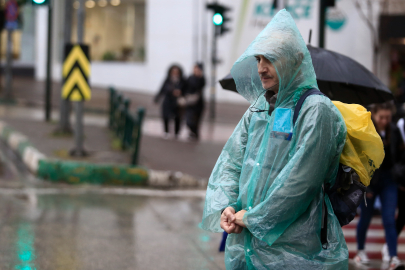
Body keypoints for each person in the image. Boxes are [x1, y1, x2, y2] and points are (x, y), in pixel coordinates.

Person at [200, 10, 348, 269]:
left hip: (294, 253)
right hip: (247, 247)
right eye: (258, 58)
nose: (261, 68)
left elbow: (301, 182)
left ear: (295, 59)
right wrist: (228, 206)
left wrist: (255, 218)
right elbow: (232, 162)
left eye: (270, 58)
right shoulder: (259, 107)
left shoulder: (316, 110)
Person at [354, 102, 403, 269]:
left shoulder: (394, 130)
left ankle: (393, 256)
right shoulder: (366, 129)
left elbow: (401, 155)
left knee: (389, 218)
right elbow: (359, 157)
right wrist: (365, 185)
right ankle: (360, 250)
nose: (384, 120)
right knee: (366, 218)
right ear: (374, 115)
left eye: (387, 117)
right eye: (381, 117)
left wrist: (399, 175)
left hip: (389, 179)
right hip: (369, 181)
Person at [154, 65, 187, 139]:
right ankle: (166, 131)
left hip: (177, 102)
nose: (175, 74)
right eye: (173, 72)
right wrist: (157, 98)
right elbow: (162, 89)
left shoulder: (182, 81)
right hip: (168, 101)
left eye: (176, 72)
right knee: (165, 116)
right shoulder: (168, 80)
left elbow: (186, 90)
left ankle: (176, 133)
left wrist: (180, 92)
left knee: (178, 117)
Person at [185, 63, 206, 140]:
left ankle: (195, 134)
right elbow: (185, 86)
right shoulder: (190, 77)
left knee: (197, 120)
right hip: (190, 102)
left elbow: (200, 86)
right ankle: (193, 132)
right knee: (189, 120)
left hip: (198, 103)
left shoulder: (202, 78)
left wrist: (198, 77)